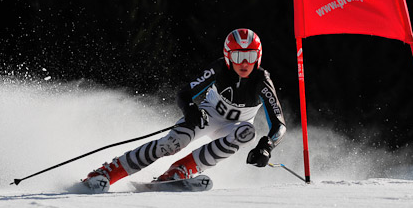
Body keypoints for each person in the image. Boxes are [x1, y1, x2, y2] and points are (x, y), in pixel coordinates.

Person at [82, 28, 286, 193]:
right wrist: (191, 110)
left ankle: (181, 170)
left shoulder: (262, 81)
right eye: (238, 55)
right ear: (228, 56)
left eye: (250, 55)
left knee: (247, 133)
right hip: (208, 116)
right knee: (173, 142)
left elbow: (279, 125)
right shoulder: (219, 69)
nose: (244, 62)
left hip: (234, 127)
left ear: (257, 57)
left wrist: (267, 146)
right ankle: (106, 172)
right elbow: (184, 93)